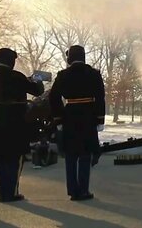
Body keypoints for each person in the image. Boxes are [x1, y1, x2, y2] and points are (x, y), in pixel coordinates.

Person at [49, 45, 105, 201]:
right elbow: (100, 97)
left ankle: (73, 190)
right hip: (88, 115)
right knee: (85, 154)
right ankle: (83, 190)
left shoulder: (63, 75)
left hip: (70, 115)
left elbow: (53, 97)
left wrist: (58, 118)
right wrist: (100, 118)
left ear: (70, 58)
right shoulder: (94, 74)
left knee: (71, 154)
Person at [0, 48, 44, 202]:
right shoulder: (16, 77)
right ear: (11, 60)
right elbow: (37, 91)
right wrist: (37, 81)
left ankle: (2, 191)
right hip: (14, 124)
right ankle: (11, 192)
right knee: (14, 158)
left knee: (1, 157)